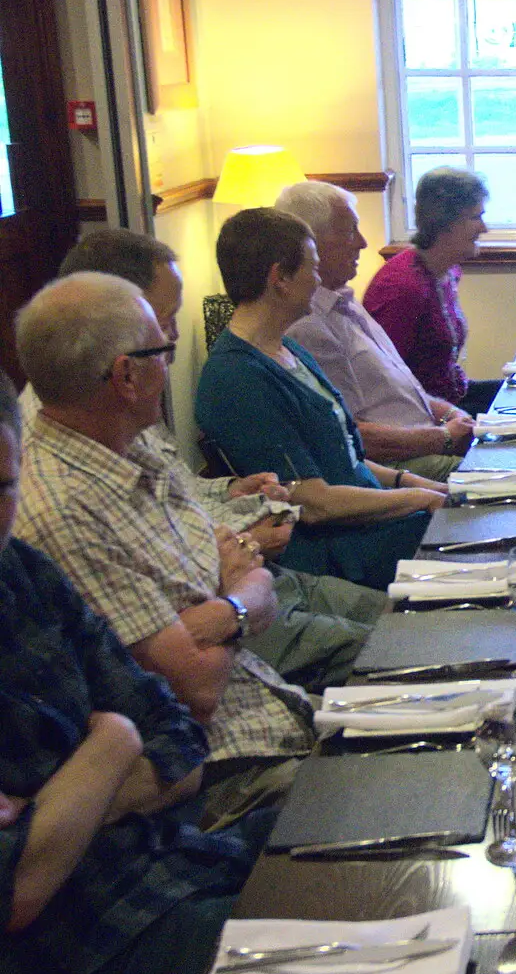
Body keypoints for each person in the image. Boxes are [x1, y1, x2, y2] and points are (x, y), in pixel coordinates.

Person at [13, 273, 318, 827]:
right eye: (165, 350)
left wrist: (218, 609)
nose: (171, 364)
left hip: (272, 712)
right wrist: (239, 598)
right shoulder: (63, 508)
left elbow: (236, 559)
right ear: (126, 375)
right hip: (226, 773)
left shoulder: (133, 448)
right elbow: (196, 687)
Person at [0, 374, 269, 974]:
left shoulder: (22, 572)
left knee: (386, 830)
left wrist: (64, 802)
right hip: (88, 946)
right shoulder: (61, 513)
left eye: (3, 487)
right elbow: (16, 892)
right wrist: (116, 742)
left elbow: (180, 740)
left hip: (172, 861)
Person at [52, 228, 385, 690]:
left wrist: (229, 491)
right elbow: (185, 671)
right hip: (249, 630)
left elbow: (174, 494)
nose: (170, 344)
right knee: (407, 644)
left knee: (413, 621)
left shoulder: (117, 415)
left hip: (269, 583)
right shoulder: (64, 493)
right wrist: (238, 592)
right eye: (164, 324)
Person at [197, 208, 445, 590]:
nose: (318, 281)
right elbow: (313, 503)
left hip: (374, 522)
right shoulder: (236, 378)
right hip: (343, 552)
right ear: (279, 277)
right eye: (312, 269)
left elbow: (346, 456)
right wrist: (418, 497)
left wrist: (409, 480)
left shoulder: (289, 349)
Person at [278, 181, 474, 480]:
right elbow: (352, 437)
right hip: (399, 465)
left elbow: (407, 391)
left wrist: (450, 415)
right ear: (310, 244)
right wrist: (444, 437)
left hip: (429, 439)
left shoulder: (343, 301)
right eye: (349, 231)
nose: (362, 243)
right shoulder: (308, 328)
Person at [363, 166, 500, 416]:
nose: (484, 228)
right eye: (475, 217)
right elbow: (386, 382)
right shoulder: (403, 288)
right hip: (425, 417)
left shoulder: (448, 272)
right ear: (445, 222)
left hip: (454, 398)